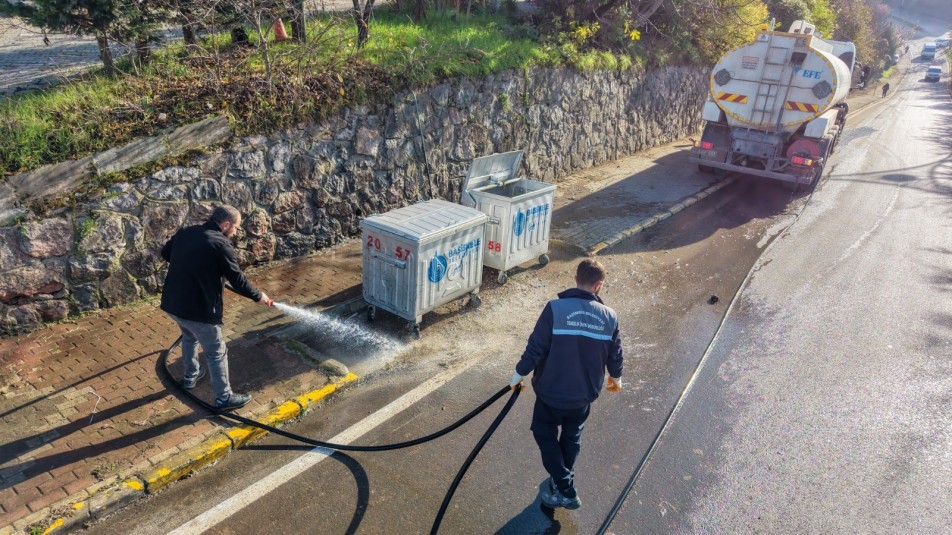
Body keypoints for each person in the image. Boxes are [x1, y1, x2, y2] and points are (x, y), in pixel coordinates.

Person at [509, 259, 624, 510]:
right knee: (571, 438)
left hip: (551, 393)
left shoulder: (555, 309)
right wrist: (616, 378)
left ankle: (565, 487)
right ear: (598, 285)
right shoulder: (610, 317)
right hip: (582, 396)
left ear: (575, 278)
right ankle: (562, 482)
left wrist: (519, 375)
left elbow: (536, 348)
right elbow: (615, 355)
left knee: (543, 432)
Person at [160, 205, 273, 410]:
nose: (236, 232)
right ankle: (224, 398)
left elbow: (166, 253)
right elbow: (238, 280)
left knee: (189, 336)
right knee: (216, 352)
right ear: (226, 224)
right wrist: (259, 296)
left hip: (173, 304)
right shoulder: (221, 245)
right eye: (236, 228)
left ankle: (190, 377)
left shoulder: (187, 232)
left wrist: (194, 266)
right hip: (198, 310)